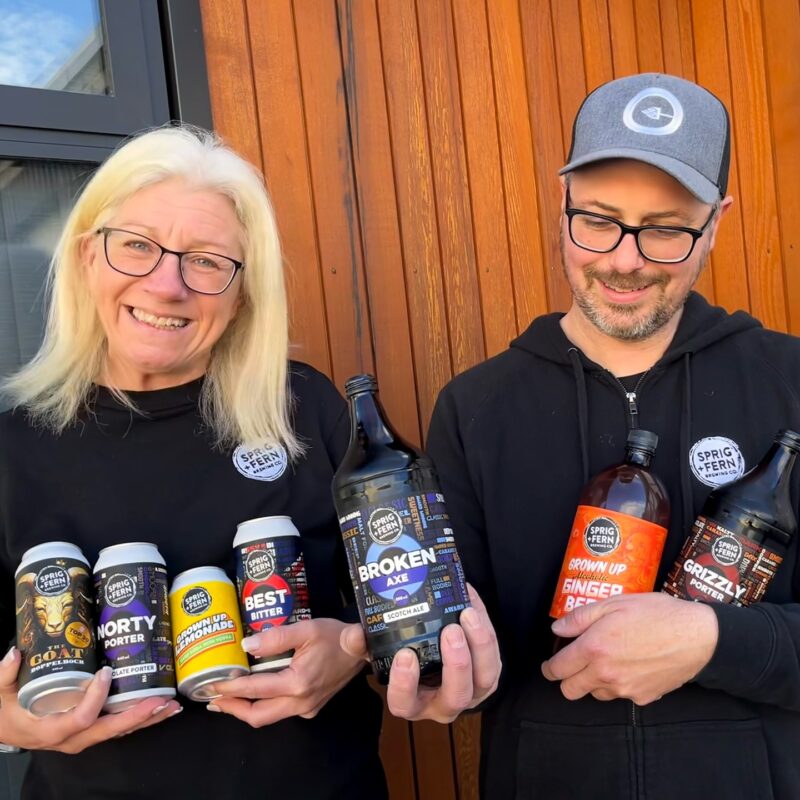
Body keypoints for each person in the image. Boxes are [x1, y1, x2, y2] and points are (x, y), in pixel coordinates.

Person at [0, 124, 497, 800]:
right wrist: (8, 723)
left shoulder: (304, 411)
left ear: (242, 296)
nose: (167, 283)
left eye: (206, 261)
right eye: (137, 246)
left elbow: (407, 599)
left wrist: (352, 651)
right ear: (89, 257)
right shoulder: (16, 443)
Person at [426, 72, 800, 799]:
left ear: (717, 221)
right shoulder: (476, 409)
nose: (624, 260)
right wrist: (433, 675)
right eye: (596, 219)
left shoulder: (792, 379)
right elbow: (451, 643)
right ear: (559, 202)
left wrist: (711, 641)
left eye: (665, 229)